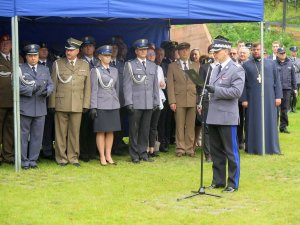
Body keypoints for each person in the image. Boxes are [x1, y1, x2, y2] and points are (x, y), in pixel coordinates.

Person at [206, 36, 245, 193]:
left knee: (231, 151)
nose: (214, 54)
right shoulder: (215, 68)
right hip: (214, 114)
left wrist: (216, 90)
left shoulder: (237, 69)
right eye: (214, 52)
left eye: (217, 51)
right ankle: (218, 180)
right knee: (216, 152)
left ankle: (232, 183)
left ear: (226, 51)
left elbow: (236, 92)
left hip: (227, 116)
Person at [49, 38, 91, 167]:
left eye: (71, 50)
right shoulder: (57, 63)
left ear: (78, 51)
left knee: (74, 132)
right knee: (60, 133)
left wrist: (86, 104)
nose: (68, 52)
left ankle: (73, 157)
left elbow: (87, 86)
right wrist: (52, 104)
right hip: (61, 103)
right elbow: (53, 85)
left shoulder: (84, 65)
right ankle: (61, 158)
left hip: (77, 103)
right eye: (67, 50)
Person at [241, 42, 282, 155]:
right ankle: (254, 147)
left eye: (258, 49)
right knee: (254, 121)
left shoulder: (271, 64)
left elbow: (277, 81)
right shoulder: (246, 65)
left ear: (263, 50)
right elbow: (243, 84)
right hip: (252, 98)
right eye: (254, 50)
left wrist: (278, 96)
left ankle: (271, 147)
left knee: (269, 120)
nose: (256, 51)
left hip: (269, 97)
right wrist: (244, 99)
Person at [123, 39, 160, 163]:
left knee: (145, 129)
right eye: (141, 49)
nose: (144, 51)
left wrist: (156, 101)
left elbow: (155, 86)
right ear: (136, 51)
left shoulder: (152, 65)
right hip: (136, 102)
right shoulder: (130, 64)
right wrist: (128, 102)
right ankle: (134, 155)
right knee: (134, 130)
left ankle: (143, 153)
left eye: (145, 49)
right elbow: (127, 85)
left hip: (148, 103)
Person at [19, 44, 54, 169]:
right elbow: (15, 87)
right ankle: (23, 161)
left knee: (37, 136)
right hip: (25, 107)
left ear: (38, 56)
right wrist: (31, 90)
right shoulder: (20, 69)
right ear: (26, 57)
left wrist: (48, 91)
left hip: (40, 107)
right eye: (31, 56)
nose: (33, 58)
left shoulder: (44, 69)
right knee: (23, 136)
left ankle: (33, 160)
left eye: (35, 56)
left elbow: (51, 84)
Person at [90, 45, 121, 166]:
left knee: (111, 131)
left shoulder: (114, 70)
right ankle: (102, 156)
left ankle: (108, 155)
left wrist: (118, 103)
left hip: (113, 104)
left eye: (109, 55)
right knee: (101, 131)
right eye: (106, 55)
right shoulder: (95, 71)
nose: (108, 57)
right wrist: (93, 106)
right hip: (101, 104)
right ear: (99, 57)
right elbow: (94, 90)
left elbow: (116, 89)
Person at [167, 42, 198, 157]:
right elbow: (170, 85)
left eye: (187, 50)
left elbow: (198, 84)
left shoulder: (195, 65)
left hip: (192, 99)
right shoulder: (172, 66)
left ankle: (189, 148)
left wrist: (198, 101)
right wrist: (172, 101)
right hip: (178, 99)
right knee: (179, 125)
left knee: (191, 125)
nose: (185, 52)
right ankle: (180, 148)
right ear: (178, 52)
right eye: (182, 50)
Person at [79, 36, 98, 162]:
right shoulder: (80, 62)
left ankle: (93, 151)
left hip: (97, 99)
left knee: (95, 127)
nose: (88, 48)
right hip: (83, 99)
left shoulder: (98, 61)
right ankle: (83, 152)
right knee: (83, 127)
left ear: (94, 48)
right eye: (85, 46)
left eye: (90, 46)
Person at [146, 47, 166, 157]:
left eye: (152, 55)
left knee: (154, 126)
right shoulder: (144, 68)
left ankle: (152, 149)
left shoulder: (159, 68)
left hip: (157, 99)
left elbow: (162, 85)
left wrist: (163, 84)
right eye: (149, 55)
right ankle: (145, 148)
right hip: (147, 100)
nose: (151, 57)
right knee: (146, 125)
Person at [38, 42, 55, 160]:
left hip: (50, 100)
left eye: (46, 50)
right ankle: (35, 150)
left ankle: (48, 151)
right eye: (42, 49)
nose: (44, 51)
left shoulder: (53, 64)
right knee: (37, 127)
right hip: (36, 100)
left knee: (49, 126)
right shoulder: (31, 63)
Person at [110, 38, 127, 155]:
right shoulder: (103, 64)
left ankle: (116, 147)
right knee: (108, 126)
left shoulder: (122, 64)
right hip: (108, 100)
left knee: (119, 125)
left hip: (120, 100)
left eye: (116, 48)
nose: (114, 50)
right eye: (112, 48)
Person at [0, 34, 15, 165]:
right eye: (3, 42)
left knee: (10, 129)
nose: (5, 44)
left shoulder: (18, 58)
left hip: (14, 101)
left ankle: (8, 155)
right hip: (0, 101)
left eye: (8, 42)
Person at [275, 47, 297, 133]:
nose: (283, 54)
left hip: (287, 89)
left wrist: (295, 88)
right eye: (281, 53)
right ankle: (274, 127)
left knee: (284, 109)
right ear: (277, 54)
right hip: (276, 89)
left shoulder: (290, 63)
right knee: (275, 109)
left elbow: (293, 77)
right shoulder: (273, 63)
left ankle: (283, 127)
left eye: (284, 53)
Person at [289, 46, 300, 112]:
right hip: (290, 79)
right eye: (293, 51)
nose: (294, 53)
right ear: (291, 52)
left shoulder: (299, 60)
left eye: (295, 51)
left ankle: (293, 107)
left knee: (296, 94)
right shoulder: (288, 59)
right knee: (290, 94)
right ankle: (290, 107)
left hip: (297, 79)